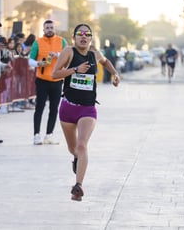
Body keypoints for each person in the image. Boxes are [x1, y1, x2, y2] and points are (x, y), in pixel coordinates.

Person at [52, 23, 120, 201]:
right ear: (74, 37)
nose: (83, 37)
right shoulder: (69, 51)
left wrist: (115, 74)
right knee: (73, 149)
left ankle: (78, 186)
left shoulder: (95, 54)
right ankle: (77, 158)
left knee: (82, 145)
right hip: (67, 108)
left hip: (88, 109)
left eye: (87, 34)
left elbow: (106, 62)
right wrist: (75, 69)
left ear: (90, 38)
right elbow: (55, 74)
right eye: (80, 34)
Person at [28, 19, 67, 145]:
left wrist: (57, 55)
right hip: (42, 80)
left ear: (54, 29)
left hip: (57, 80)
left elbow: (68, 57)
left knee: (54, 108)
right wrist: (38, 63)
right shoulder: (38, 42)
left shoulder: (62, 41)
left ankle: (49, 135)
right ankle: (36, 135)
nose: (49, 30)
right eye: (47, 28)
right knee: (39, 107)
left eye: (51, 27)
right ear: (43, 29)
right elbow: (30, 60)